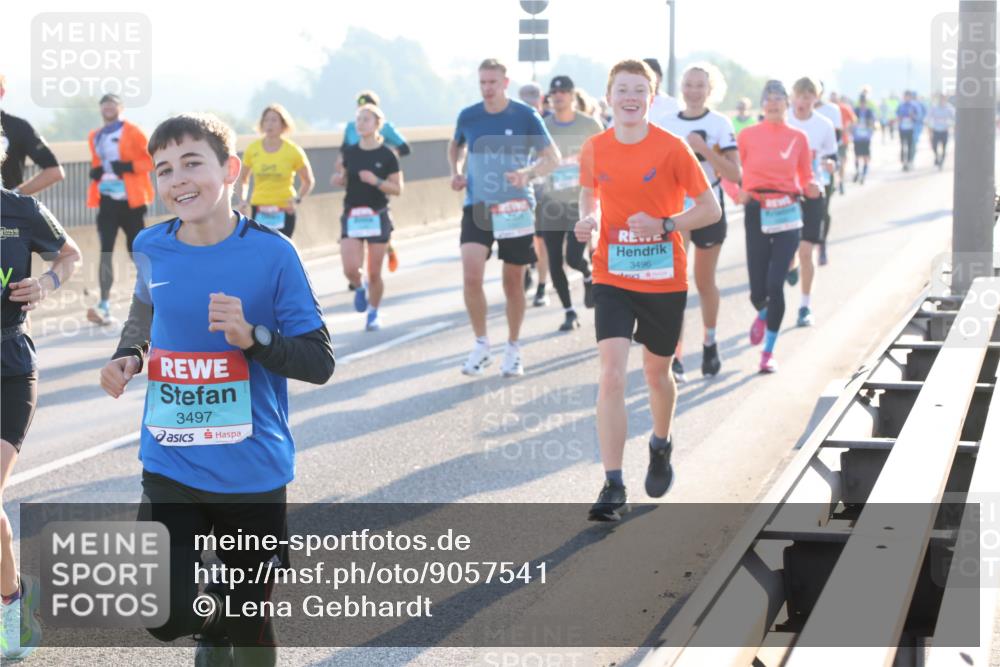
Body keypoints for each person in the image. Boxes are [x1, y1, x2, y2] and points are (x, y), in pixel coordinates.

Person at [98, 112, 334, 666]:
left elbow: (319, 361)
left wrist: (253, 337)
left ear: (229, 168)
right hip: (171, 461)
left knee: (249, 630)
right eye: (164, 169)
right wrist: (127, 356)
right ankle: (212, 623)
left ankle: (233, 619)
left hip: (251, 470)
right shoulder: (153, 245)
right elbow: (144, 316)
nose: (178, 178)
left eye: (191, 163)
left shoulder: (273, 253)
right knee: (162, 613)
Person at [576, 59, 720, 521]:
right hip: (612, 274)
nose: (631, 97)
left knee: (657, 374)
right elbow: (589, 193)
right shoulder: (594, 147)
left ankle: (660, 443)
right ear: (609, 97)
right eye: (623, 89)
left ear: (651, 99)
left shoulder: (672, 148)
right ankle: (613, 484)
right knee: (612, 375)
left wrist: (665, 224)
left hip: (663, 277)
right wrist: (592, 220)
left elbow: (710, 209)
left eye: (640, 89)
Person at [0, 149, 82, 661]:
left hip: (9, 366)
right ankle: (11, 588)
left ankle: (11, 606)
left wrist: (47, 283)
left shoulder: (20, 210)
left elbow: (69, 253)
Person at [448, 59, 560, 378]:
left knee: (513, 281)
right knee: (471, 275)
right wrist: (455, 172)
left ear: (505, 82)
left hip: (514, 206)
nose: (487, 88)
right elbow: (454, 146)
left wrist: (527, 173)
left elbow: (550, 158)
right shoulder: (469, 116)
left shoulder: (526, 116)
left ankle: (513, 348)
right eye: (482, 82)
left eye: (493, 82)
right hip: (478, 205)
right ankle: (482, 345)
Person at [662, 63, 741, 380]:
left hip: (708, 208)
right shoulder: (666, 124)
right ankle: (675, 353)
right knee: (674, 284)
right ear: (681, 87)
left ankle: (709, 343)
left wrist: (704, 149)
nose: (693, 91)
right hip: (676, 211)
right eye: (689, 84)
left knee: (704, 281)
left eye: (700, 86)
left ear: (711, 90)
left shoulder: (719, 123)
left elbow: (736, 174)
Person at [739, 80, 821, 373]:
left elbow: (806, 175)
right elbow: (739, 173)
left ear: (787, 103)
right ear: (762, 104)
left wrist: (811, 187)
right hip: (756, 211)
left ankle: (768, 352)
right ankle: (762, 311)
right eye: (768, 98)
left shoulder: (798, 137)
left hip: (787, 211)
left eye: (778, 98)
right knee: (757, 291)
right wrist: (740, 191)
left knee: (776, 284)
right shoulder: (747, 135)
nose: (773, 103)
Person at [539, 75, 603, 332]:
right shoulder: (543, 126)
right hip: (551, 202)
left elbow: (607, 155)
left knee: (574, 257)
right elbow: (536, 158)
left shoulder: (589, 125)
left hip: (580, 200)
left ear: (572, 95)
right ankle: (569, 312)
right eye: (554, 92)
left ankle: (587, 274)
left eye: (563, 91)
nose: (558, 96)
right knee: (554, 260)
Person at [331, 103, 403, 331]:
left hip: (378, 215)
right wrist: (339, 179)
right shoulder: (349, 153)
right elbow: (343, 177)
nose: (361, 123)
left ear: (377, 124)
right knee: (350, 269)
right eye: (358, 119)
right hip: (352, 213)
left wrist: (376, 181)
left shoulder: (387, 155)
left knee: (374, 272)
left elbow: (397, 188)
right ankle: (359, 288)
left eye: (366, 119)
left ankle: (373, 312)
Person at [85, 93, 154, 326]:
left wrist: (128, 166)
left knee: (137, 250)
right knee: (105, 250)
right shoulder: (95, 136)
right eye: (104, 104)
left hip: (131, 201)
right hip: (106, 199)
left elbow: (151, 161)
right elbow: (99, 163)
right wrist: (95, 172)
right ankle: (104, 305)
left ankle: (155, 299)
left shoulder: (133, 131)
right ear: (100, 109)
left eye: (112, 104)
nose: (108, 107)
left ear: (120, 108)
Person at [341, 90, 411, 274]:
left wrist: (385, 162)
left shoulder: (385, 127)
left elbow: (404, 148)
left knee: (374, 263)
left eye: (367, 106)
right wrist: (341, 173)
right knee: (353, 254)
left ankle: (388, 242)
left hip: (379, 183)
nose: (362, 121)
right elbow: (342, 152)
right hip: (354, 187)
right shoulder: (350, 127)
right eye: (360, 107)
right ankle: (357, 276)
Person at [786, 77, 837, 329]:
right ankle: (790, 264)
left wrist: (830, 166)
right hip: (784, 193)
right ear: (793, 96)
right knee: (788, 253)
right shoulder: (783, 120)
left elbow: (832, 156)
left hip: (813, 192)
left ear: (815, 99)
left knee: (807, 251)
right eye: (800, 96)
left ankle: (805, 306)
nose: (804, 101)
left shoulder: (824, 125)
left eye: (809, 97)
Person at [237, 103, 314, 239]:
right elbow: (243, 179)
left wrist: (297, 199)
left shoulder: (293, 150)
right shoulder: (252, 149)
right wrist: (242, 200)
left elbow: (308, 181)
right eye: (266, 120)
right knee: (261, 250)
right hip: (259, 208)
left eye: (274, 120)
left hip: (284, 208)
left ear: (283, 125)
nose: (269, 124)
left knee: (281, 251)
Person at [0, 75, 65, 196]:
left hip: (6, 212)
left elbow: (54, 171)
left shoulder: (18, 126)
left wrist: (13, 195)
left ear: (1, 92)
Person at [518, 81, 552, 306]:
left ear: (541, 100)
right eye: (525, 102)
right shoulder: (513, 123)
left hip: (544, 191)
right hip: (520, 192)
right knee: (521, 238)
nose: (530, 106)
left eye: (534, 101)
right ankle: (528, 268)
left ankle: (542, 287)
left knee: (541, 241)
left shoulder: (549, 122)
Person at [829, 92, 856, 195]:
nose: (833, 101)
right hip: (830, 141)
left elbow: (853, 119)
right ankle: (835, 183)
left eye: (835, 99)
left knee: (842, 161)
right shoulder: (827, 108)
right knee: (834, 163)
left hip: (842, 139)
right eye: (832, 99)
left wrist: (847, 130)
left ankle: (840, 182)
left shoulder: (844, 108)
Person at [642, 58, 681, 128]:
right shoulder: (633, 102)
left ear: (660, 78)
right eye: (645, 75)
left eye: (652, 75)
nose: (648, 80)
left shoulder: (672, 104)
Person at [852, 95, 877, 183]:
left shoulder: (869, 112)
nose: (863, 104)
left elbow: (873, 123)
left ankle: (864, 173)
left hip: (866, 137)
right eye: (861, 102)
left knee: (866, 156)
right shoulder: (856, 110)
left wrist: (870, 129)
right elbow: (852, 122)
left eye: (864, 102)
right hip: (857, 137)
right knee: (857, 156)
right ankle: (857, 171)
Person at [928, 93, 955, 169]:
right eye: (940, 98)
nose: (941, 100)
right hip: (936, 130)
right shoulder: (934, 108)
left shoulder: (949, 108)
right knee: (934, 146)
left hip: (944, 130)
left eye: (943, 99)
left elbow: (954, 118)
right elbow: (928, 118)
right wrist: (929, 128)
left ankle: (941, 162)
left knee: (944, 147)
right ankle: (936, 156)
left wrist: (951, 124)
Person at [897, 90, 920, 171]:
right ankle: (903, 162)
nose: (906, 98)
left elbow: (917, 117)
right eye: (905, 96)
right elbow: (897, 115)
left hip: (910, 129)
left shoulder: (913, 106)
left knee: (910, 146)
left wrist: (912, 116)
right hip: (902, 129)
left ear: (910, 97)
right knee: (903, 146)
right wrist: (900, 118)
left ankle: (910, 161)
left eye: (908, 96)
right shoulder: (901, 105)